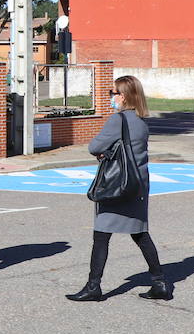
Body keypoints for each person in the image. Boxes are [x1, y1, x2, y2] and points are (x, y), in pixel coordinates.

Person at [66, 74, 172, 302]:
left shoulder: (118, 120)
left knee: (101, 236)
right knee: (140, 234)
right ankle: (160, 282)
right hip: (138, 186)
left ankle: (93, 286)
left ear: (123, 96)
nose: (111, 98)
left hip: (117, 185)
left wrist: (104, 151)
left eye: (113, 93)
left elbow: (94, 146)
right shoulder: (142, 121)